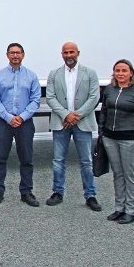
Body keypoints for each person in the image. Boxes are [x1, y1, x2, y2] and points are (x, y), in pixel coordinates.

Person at [45, 42, 102, 211]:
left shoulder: (90, 73)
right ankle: (57, 192)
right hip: (61, 122)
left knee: (86, 161)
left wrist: (76, 116)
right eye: (65, 52)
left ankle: (90, 195)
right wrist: (66, 115)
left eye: (72, 52)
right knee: (58, 160)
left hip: (82, 122)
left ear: (78, 53)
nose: (69, 55)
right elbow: (50, 97)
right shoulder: (54, 74)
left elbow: (94, 97)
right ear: (61, 54)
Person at [98, 59, 134, 224]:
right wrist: (102, 133)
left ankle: (131, 210)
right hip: (110, 138)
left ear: (131, 73)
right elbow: (104, 112)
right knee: (118, 174)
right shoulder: (110, 90)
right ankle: (119, 208)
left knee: (130, 175)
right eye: (117, 71)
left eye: (124, 71)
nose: (120, 74)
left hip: (130, 139)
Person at [0, 43, 41, 207]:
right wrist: (8, 117)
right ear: (7, 55)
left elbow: (35, 100)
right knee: (0, 158)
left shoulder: (31, 76)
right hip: (4, 122)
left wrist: (22, 117)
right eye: (12, 53)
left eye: (18, 53)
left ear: (23, 55)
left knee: (26, 158)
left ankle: (26, 192)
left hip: (24, 122)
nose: (15, 56)